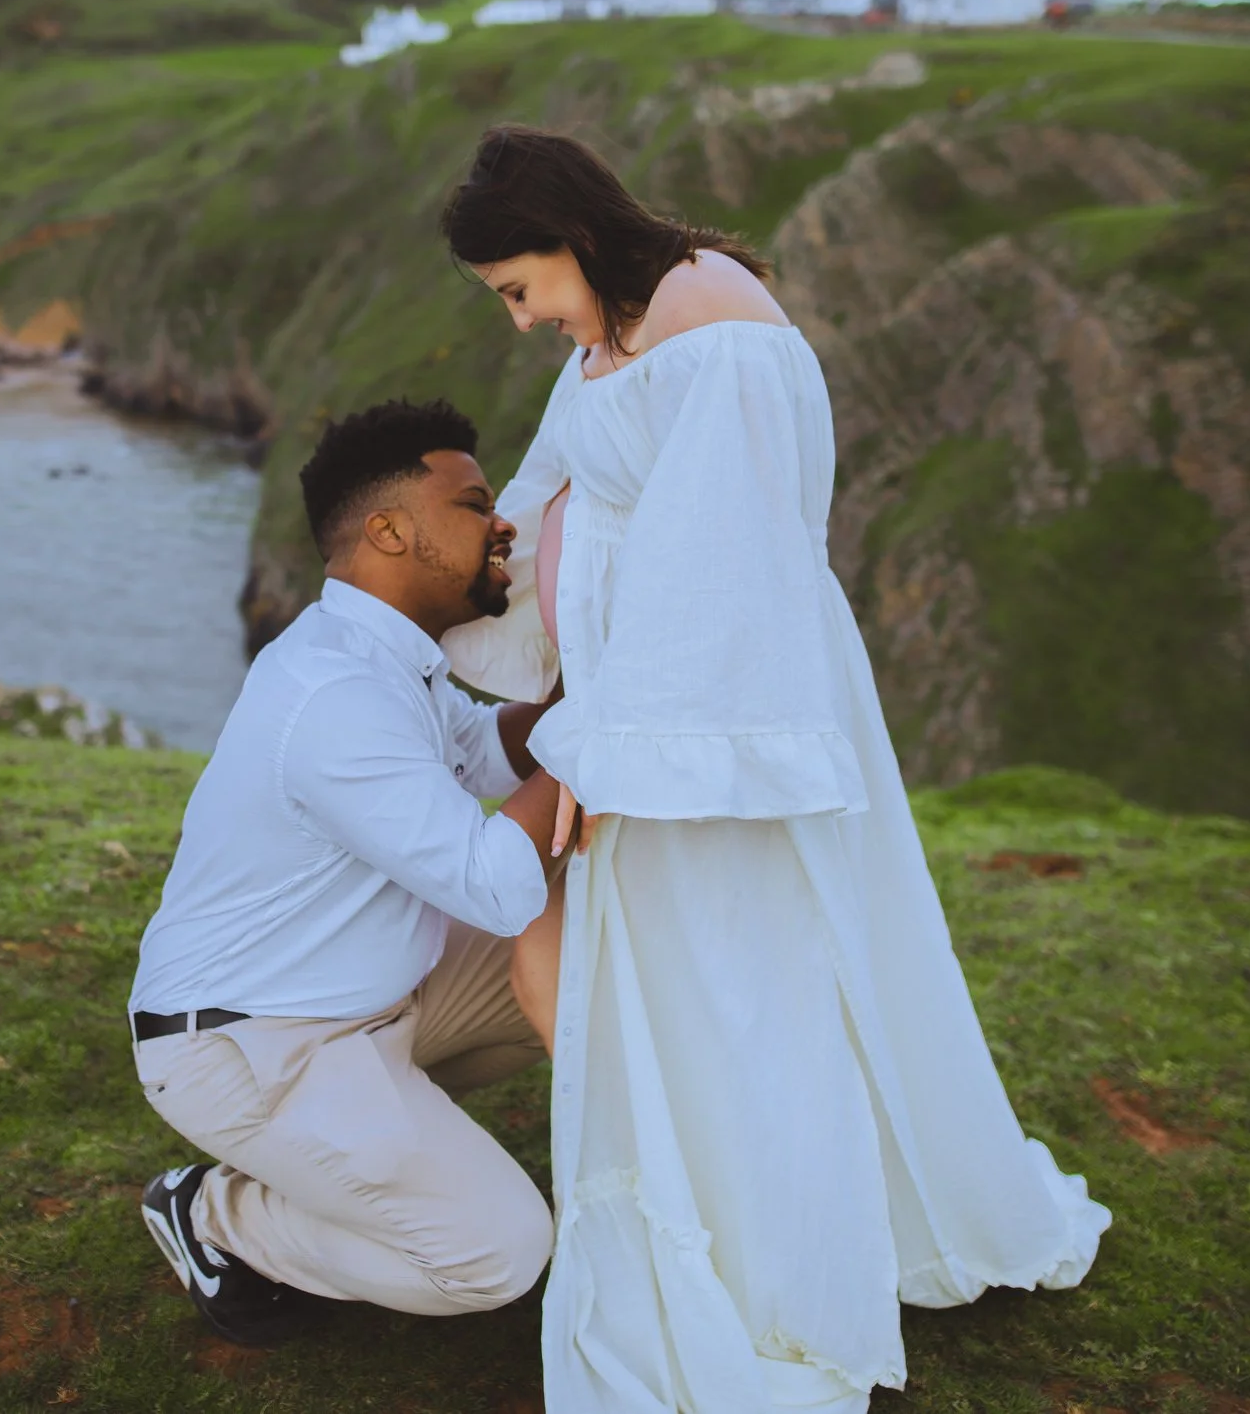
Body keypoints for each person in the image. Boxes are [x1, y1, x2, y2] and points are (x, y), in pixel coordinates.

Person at [438, 125, 1112, 1410]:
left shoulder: (714, 317)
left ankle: (767, 1259)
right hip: (646, 708)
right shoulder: (608, 336)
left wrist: (600, 740)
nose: (522, 323)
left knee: (743, 968)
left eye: (519, 289)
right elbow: (546, 497)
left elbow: (726, 558)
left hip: (711, 718)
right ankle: (710, 1208)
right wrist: (425, 591)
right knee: (661, 973)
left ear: (569, 238)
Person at [127, 397, 574, 1346]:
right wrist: (594, 729)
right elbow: (496, 880)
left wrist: (576, 700)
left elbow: (484, 754)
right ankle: (218, 1214)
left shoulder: (384, 658)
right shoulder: (336, 694)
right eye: (473, 504)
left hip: (365, 1000)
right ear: (388, 528)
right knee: (500, 1254)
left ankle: (370, 1147)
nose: (503, 526)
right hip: (247, 1044)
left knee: (600, 935)